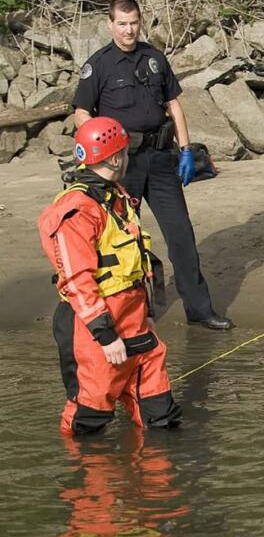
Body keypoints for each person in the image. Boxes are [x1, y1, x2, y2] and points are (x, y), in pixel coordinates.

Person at [73, 0, 232, 330]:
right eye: (122, 24)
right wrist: (98, 154)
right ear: (110, 24)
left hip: (160, 159)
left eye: (134, 23)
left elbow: (173, 104)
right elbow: (82, 112)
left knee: (181, 235)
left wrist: (186, 149)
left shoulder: (154, 57)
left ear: (140, 22)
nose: (129, 30)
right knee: (125, 238)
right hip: (121, 162)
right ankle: (133, 313)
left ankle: (200, 310)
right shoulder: (98, 65)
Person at [38, 117, 183, 435]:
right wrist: (105, 336)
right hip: (94, 329)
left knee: (162, 419)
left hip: (135, 322)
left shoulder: (115, 198)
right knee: (89, 422)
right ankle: (87, 480)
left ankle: (156, 482)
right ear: (116, 157)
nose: (129, 158)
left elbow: (134, 263)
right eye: (126, 152)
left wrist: (147, 314)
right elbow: (77, 280)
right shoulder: (78, 210)